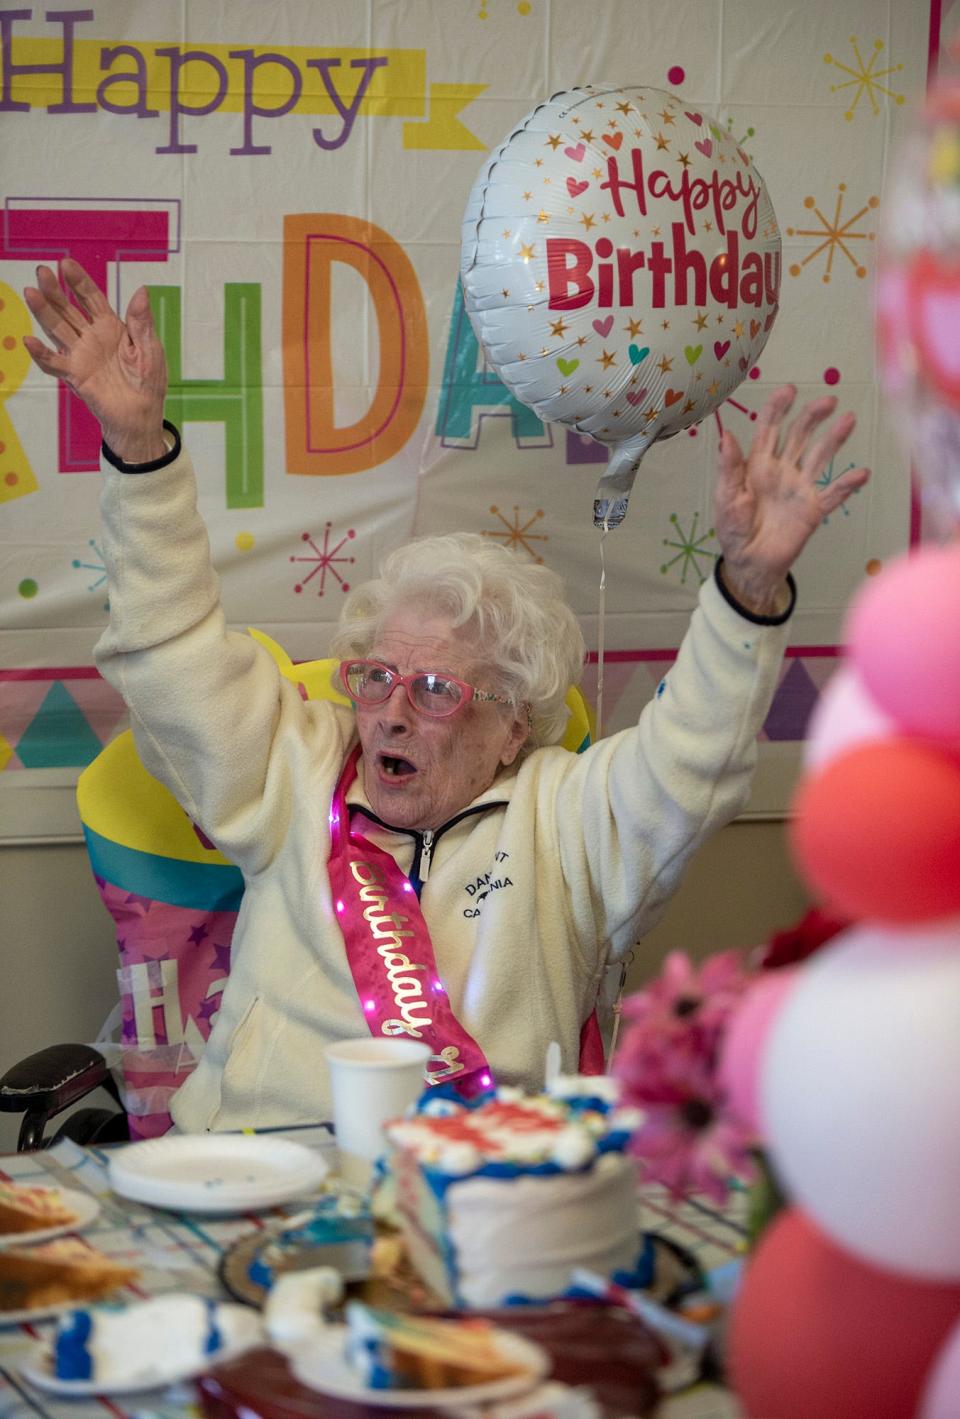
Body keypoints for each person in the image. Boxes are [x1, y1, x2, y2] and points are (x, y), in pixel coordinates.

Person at [22, 259, 869, 1132]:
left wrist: (748, 590)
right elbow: (171, 655)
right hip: (266, 1167)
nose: (388, 711)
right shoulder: (293, 769)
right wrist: (138, 453)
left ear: (512, 725)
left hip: (488, 1183)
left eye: (434, 689)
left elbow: (690, 761)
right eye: (377, 677)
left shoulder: (568, 821)